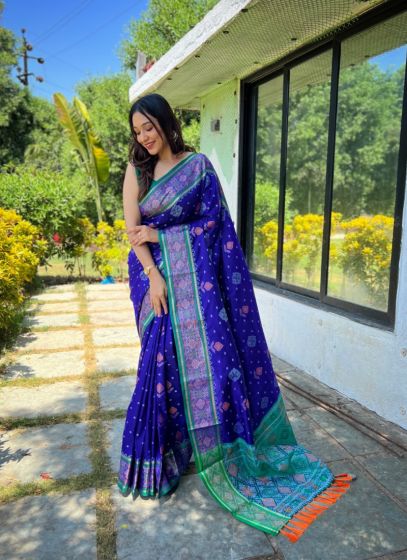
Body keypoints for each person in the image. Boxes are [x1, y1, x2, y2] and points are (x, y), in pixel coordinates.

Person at [117, 92, 353, 542]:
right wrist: (154, 272)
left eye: (149, 127)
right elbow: (134, 233)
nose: (145, 138)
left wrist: (165, 237)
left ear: (167, 123)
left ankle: (224, 451)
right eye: (137, 131)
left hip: (199, 284)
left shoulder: (199, 167)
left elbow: (215, 225)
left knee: (219, 367)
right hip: (158, 284)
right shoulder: (137, 171)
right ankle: (168, 455)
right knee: (163, 369)